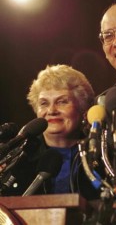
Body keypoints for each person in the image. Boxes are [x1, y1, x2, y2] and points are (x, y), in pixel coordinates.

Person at [1, 64, 100, 200]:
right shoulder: (19, 158)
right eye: (44, 103)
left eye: (62, 102)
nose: (52, 111)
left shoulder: (102, 155)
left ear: (82, 108)